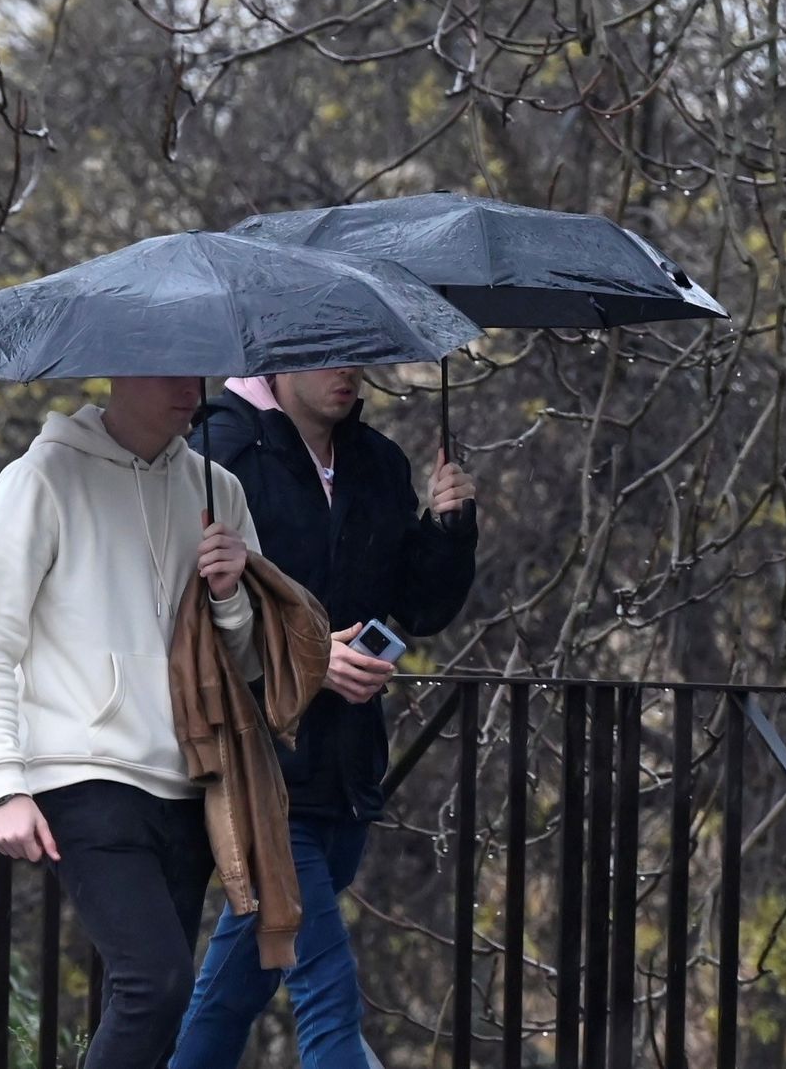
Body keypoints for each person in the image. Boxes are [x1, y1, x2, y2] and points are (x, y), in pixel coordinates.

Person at [174, 366, 478, 1068]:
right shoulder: (223, 451)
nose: (347, 371)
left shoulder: (376, 461)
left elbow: (420, 607)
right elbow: (189, 615)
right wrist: (309, 660)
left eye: (357, 352)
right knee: (329, 1000)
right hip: (259, 772)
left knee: (230, 997)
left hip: (345, 771)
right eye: (327, 353)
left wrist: (450, 526)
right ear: (278, 358)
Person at [0, 376, 260, 1069]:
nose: (190, 389)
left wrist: (231, 592)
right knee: (156, 985)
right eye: (169, 372)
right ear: (121, 370)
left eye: (198, 372)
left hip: (190, 783)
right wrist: (4, 783)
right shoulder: (42, 477)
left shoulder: (221, 492)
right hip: (83, 774)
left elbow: (246, 666)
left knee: (157, 1007)